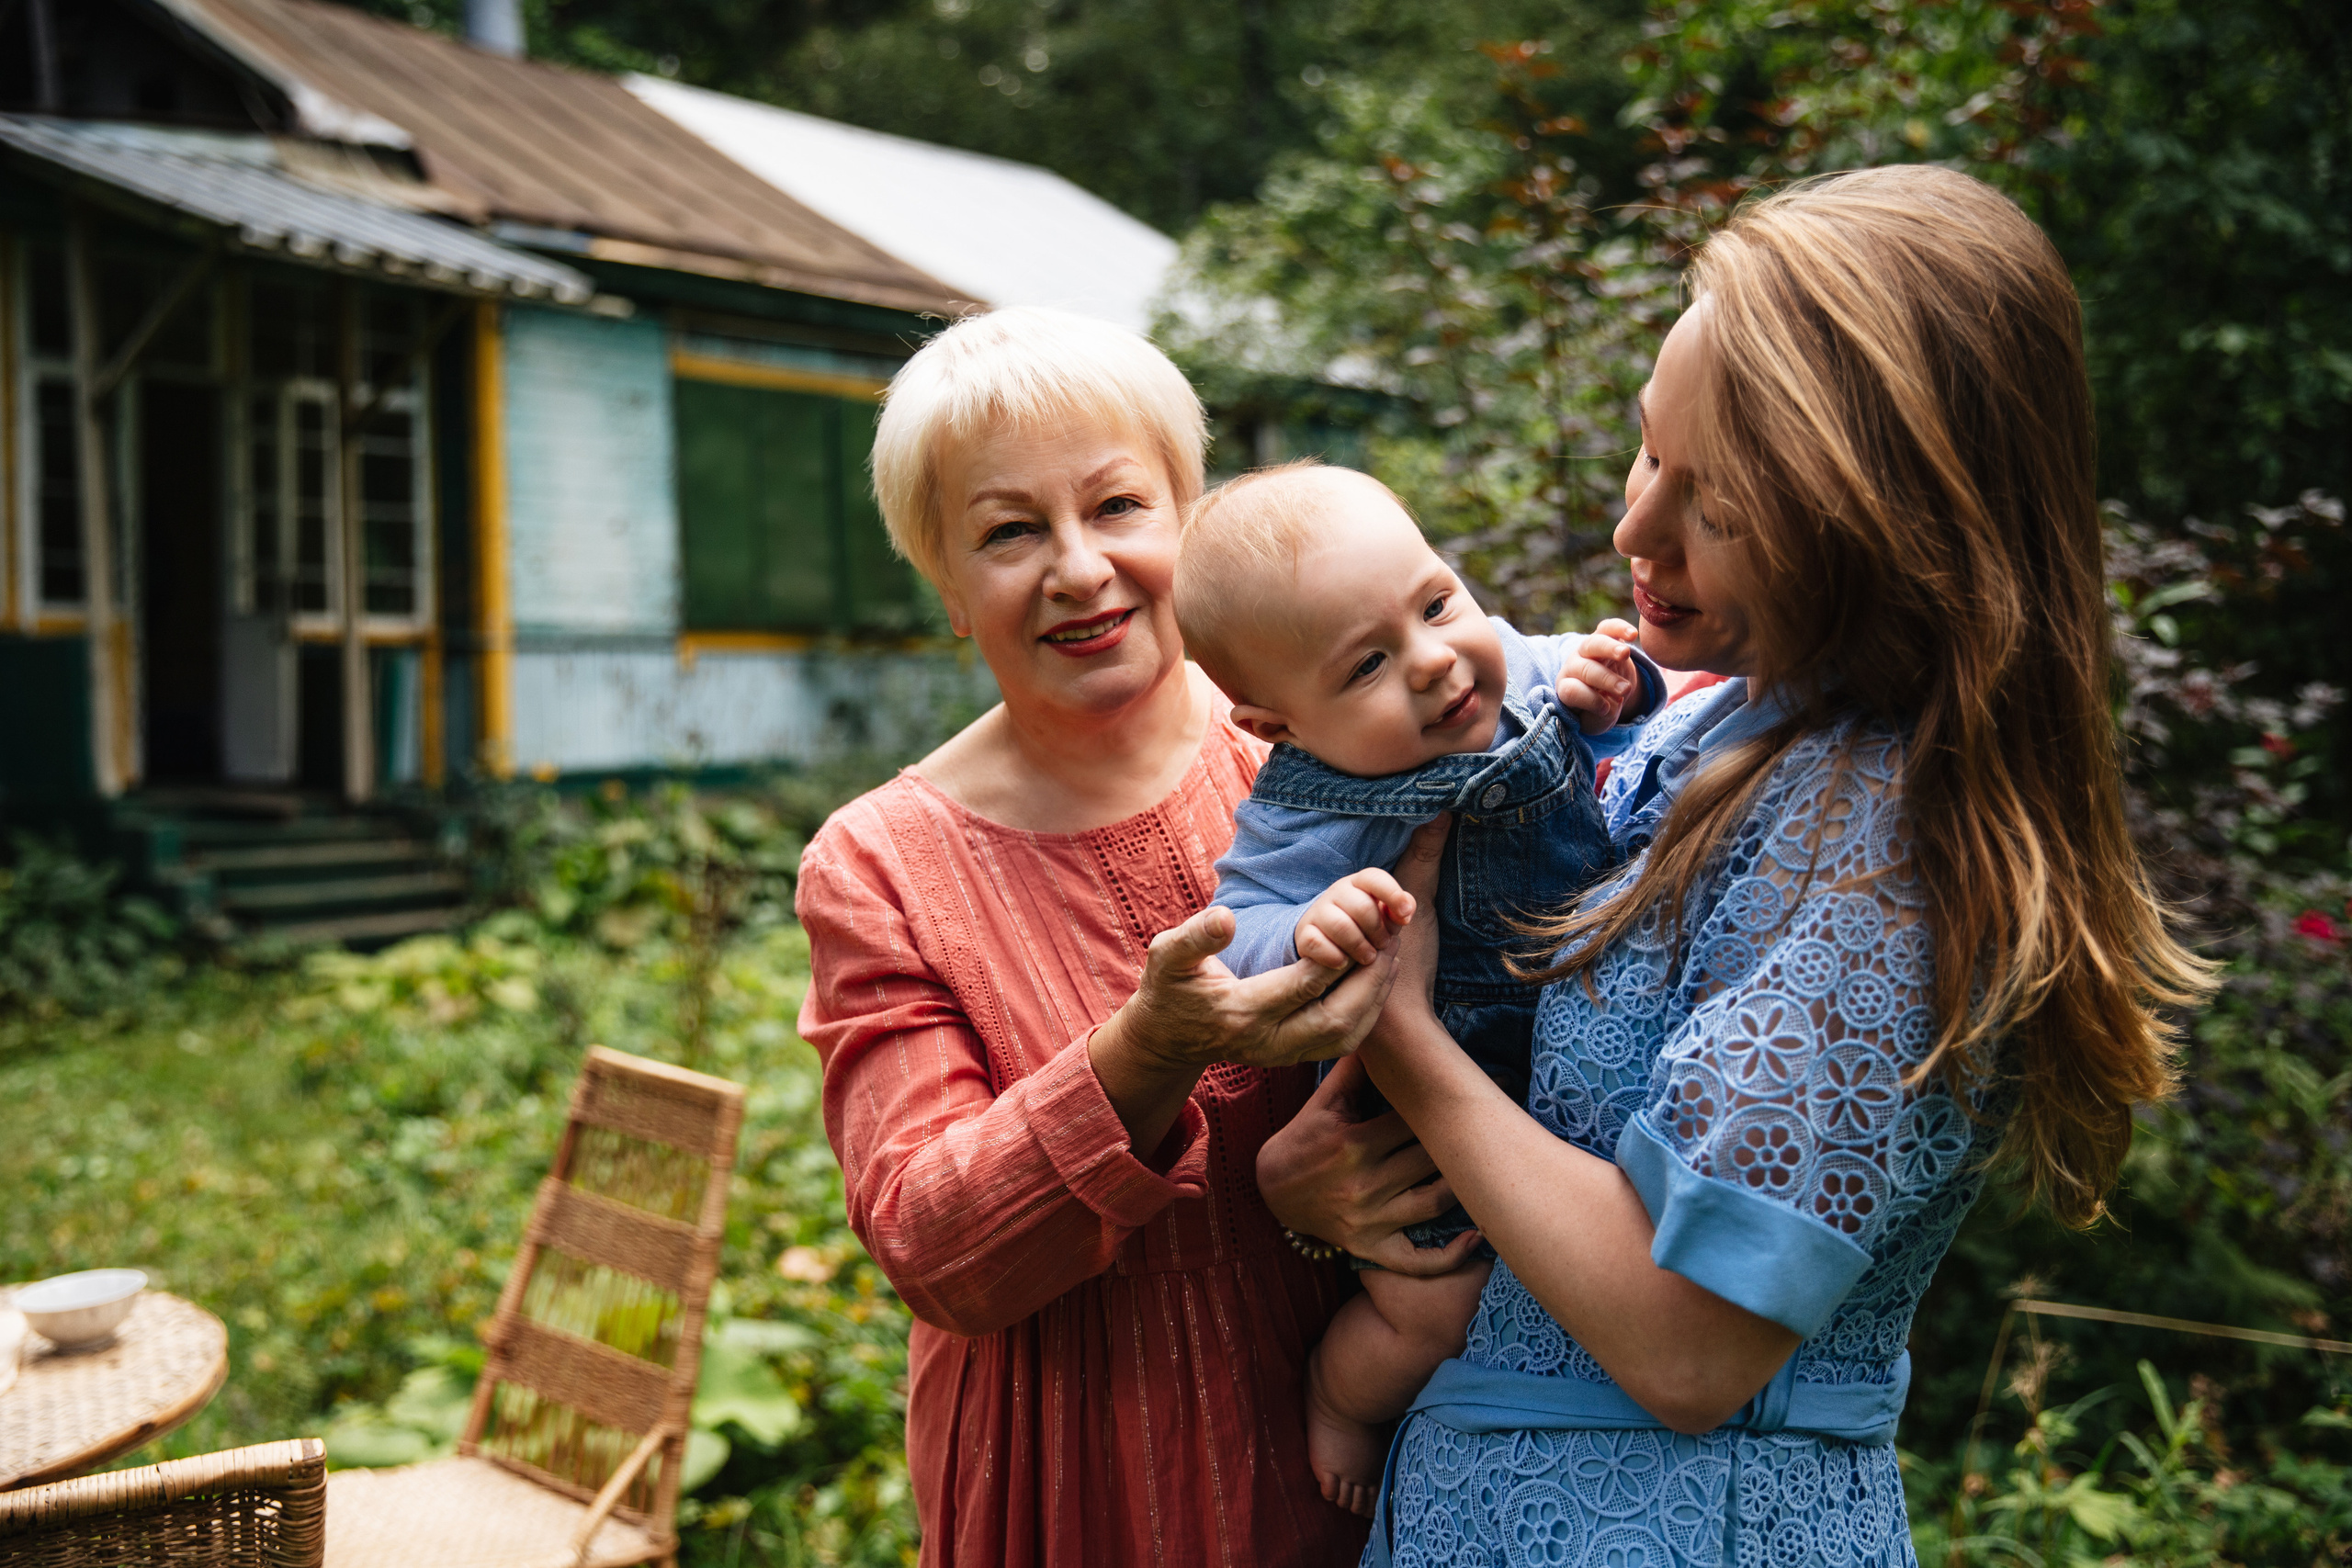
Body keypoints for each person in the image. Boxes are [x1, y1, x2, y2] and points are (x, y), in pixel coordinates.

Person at [1347, 164, 2216, 1565]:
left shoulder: (1879, 842)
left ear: (1894, 519)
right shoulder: (1715, 723)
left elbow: (1690, 1345)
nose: (1636, 528)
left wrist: (1397, 1037)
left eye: (1721, 505)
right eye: (1648, 449)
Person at [793, 307, 1449, 1567]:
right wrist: (1148, 1047)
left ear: (1188, 520)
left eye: (1117, 507)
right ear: (946, 588)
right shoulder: (879, 864)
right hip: (1072, 1481)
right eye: (1009, 531)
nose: (1079, 568)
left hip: (1364, 1446)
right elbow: (935, 1245)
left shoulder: (1328, 743)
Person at [1170, 460, 1659, 1515]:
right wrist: (1307, 927)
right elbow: (1238, 932)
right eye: (1366, 668)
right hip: (1419, 1124)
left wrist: (1611, 681)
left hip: (1567, 1058)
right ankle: (1343, 1400)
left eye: (1436, 602)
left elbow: (1615, 707)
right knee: (1434, 1312)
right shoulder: (1307, 808)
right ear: (1274, 727)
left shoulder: (1512, 672)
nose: (1436, 662)